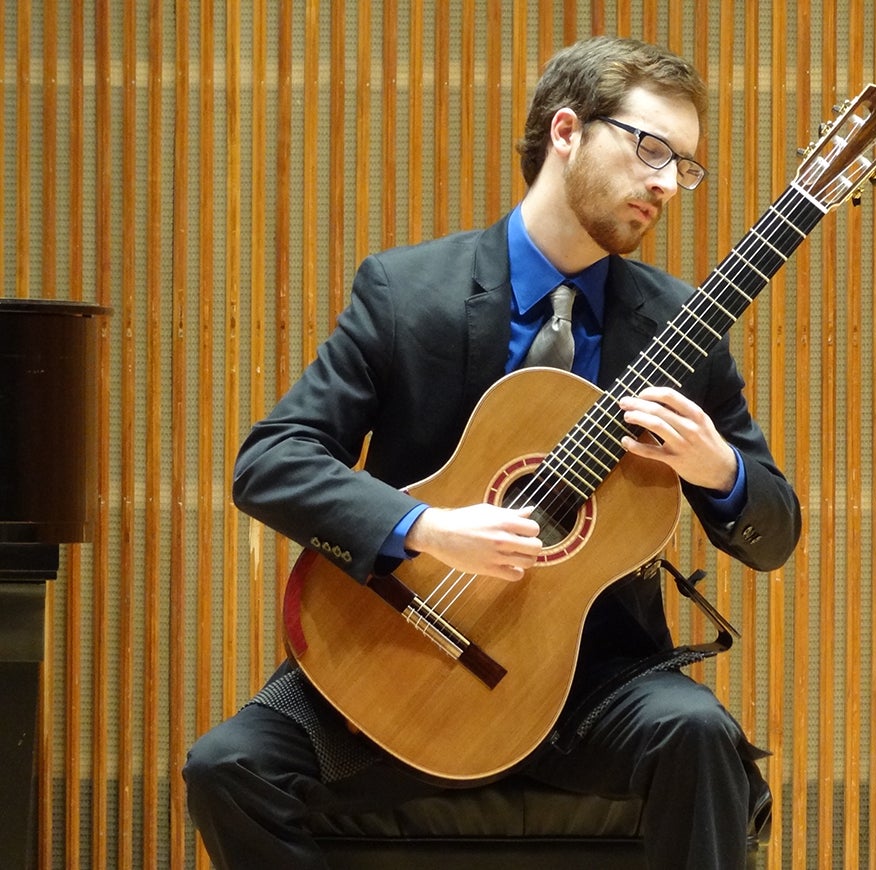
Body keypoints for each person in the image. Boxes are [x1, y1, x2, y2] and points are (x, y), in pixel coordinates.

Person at [184, 34, 801, 869]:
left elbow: (775, 529)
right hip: (408, 636)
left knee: (696, 735)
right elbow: (271, 461)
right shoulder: (407, 295)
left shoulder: (679, 327)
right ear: (567, 131)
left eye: (684, 167)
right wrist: (426, 528)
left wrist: (718, 470)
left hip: (592, 680)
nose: (665, 182)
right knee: (227, 769)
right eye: (651, 147)